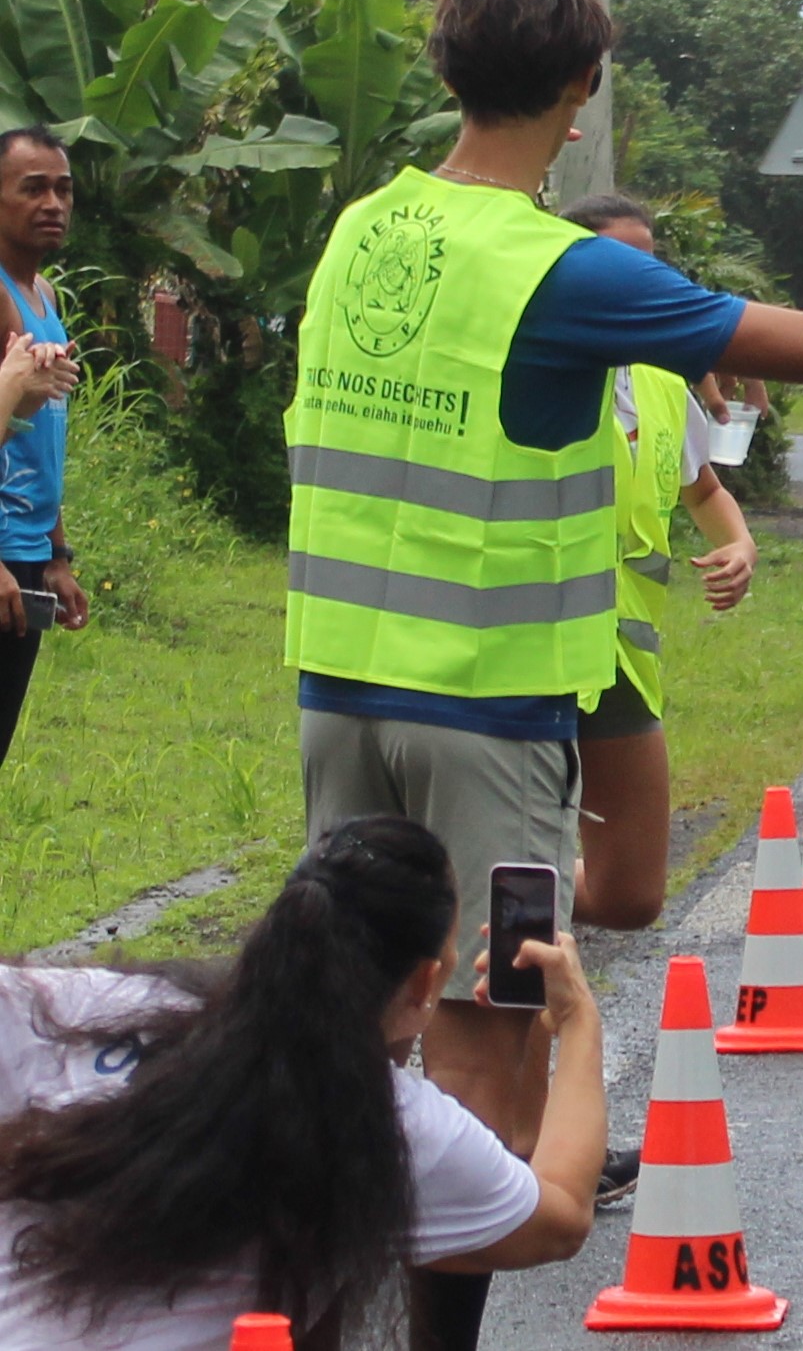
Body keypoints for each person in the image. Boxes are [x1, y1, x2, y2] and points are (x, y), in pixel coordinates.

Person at [287, 0, 803, 1346]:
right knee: (485, 1039)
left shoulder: (360, 231)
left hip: (337, 687)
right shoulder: (560, 270)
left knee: (344, 1027)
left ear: (445, 66)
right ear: (581, 93)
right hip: (486, 709)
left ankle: (301, 1314)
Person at [0, 815, 605, 1351]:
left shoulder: (95, 1008)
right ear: (425, 985)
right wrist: (577, 1023)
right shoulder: (395, 1126)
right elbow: (562, 1213)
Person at [549, 193, 758, 1200]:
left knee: (628, 893)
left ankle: (494, 904)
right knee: (517, 908)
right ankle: (528, 1137)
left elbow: (702, 490)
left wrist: (739, 542)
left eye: (655, 265)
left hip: (622, 667)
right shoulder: (543, 363)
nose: (644, 283)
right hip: (529, 655)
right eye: (620, 263)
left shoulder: (663, 382)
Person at [0, 126, 87, 768]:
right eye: (32, 189)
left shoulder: (44, 296)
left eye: (62, 189)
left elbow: (41, 440)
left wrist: (57, 553)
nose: (52, 203)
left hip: (27, 555)